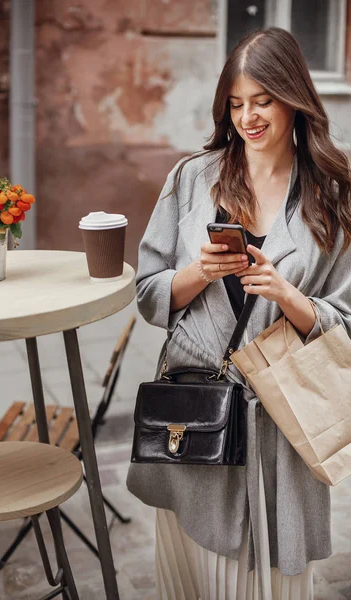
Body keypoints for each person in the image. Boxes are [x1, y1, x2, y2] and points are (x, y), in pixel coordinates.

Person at [127, 27, 351, 600]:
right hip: (196, 414)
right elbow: (149, 292)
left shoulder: (333, 195)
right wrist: (199, 272)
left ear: (294, 97)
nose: (249, 117)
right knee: (192, 575)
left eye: (263, 100)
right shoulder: (192, 178)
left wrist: (287, 295)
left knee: (267, 582)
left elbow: (345, 325)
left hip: (280, 429)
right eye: (236, 103)